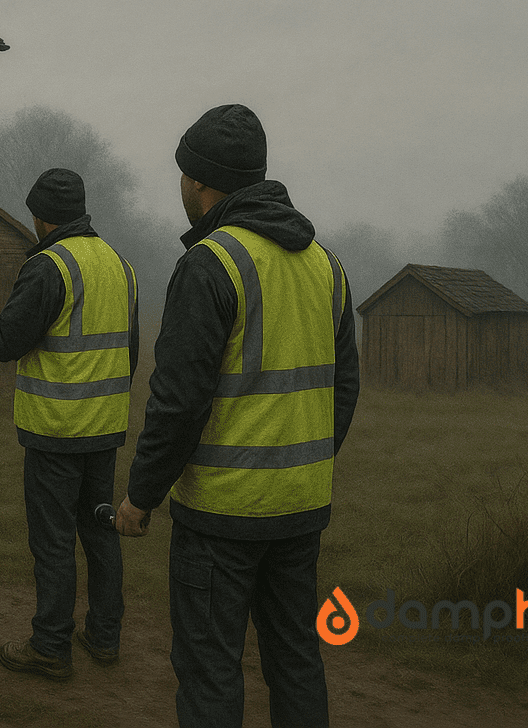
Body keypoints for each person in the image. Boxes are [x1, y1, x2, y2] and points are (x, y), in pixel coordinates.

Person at [114, 104, 360, 727]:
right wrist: (304, 463)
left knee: (210, 667)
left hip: (221, 517)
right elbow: (345, 385)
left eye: (182, 176)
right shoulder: (325, 265)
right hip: (302, 507)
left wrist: (141, 497)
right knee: (297, 656)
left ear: (199, 182)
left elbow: (176, 404)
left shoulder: (210, 264)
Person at [0, 167, 139, 680]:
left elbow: (4, 342)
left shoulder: (48, 267)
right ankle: (104, 637)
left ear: (40, 217)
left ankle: (50, 646)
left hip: (57, 431)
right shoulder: (120, 265)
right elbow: (128, 353)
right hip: (105, 430)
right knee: (101, 533)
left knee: (54, 540)